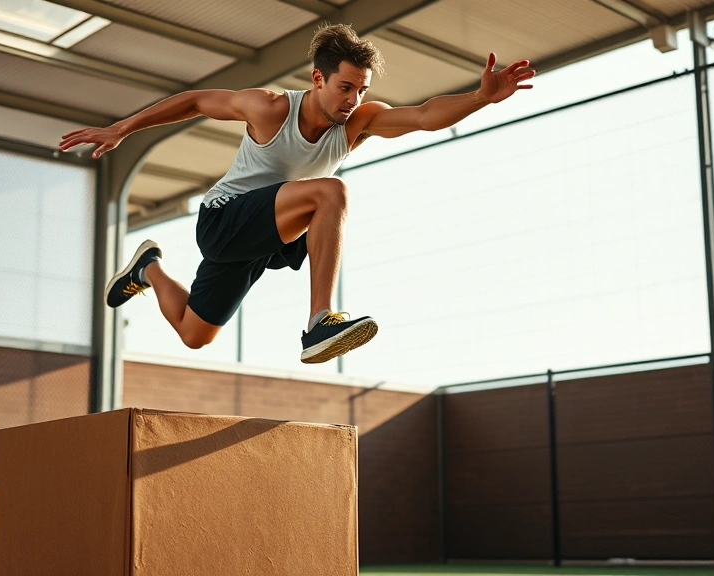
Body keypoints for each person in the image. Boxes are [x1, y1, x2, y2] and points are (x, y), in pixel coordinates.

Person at [59, 24, 534, 364]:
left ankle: (148, 266)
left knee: (194, 334)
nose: (352, 100)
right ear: (317, 78)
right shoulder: (268, 108)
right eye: (345, 87)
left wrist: (481, 99)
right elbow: (197, 101)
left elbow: (425, 115)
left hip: (262, 238)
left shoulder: (360, 122)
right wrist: (124, 127)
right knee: (332, 193)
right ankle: (319, 322)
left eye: (361, 90)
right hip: (224, 218)